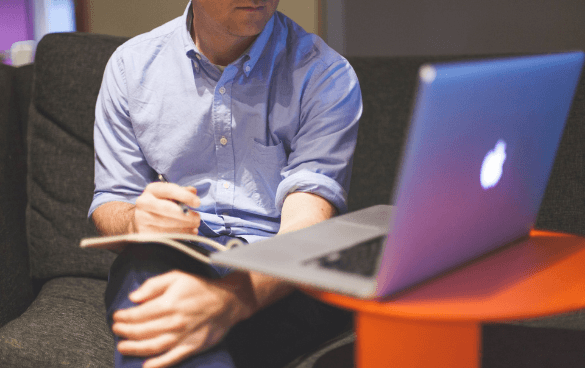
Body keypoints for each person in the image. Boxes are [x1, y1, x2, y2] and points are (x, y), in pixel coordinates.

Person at [89, 1, 362, 367]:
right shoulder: (131, 68)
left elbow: (305, 225)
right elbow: (110, 200)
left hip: (283, 266)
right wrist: (136, 222)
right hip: (180, 249)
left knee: (163, 332)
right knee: (143, 264)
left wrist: (230, 299)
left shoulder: (325, 75)